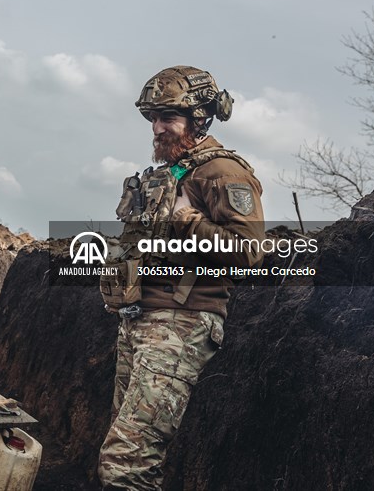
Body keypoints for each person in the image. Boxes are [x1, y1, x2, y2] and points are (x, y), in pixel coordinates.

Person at [98, 66, 265, 490]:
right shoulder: (170, 174)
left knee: (126, 464)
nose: (157, 128)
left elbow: (250, 252)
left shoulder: (223, 172)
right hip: (138, 320)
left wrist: (190, 221)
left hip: (182, 324)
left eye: (167, 117)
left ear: (200, 118)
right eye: (152, 118)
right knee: (123, 450)